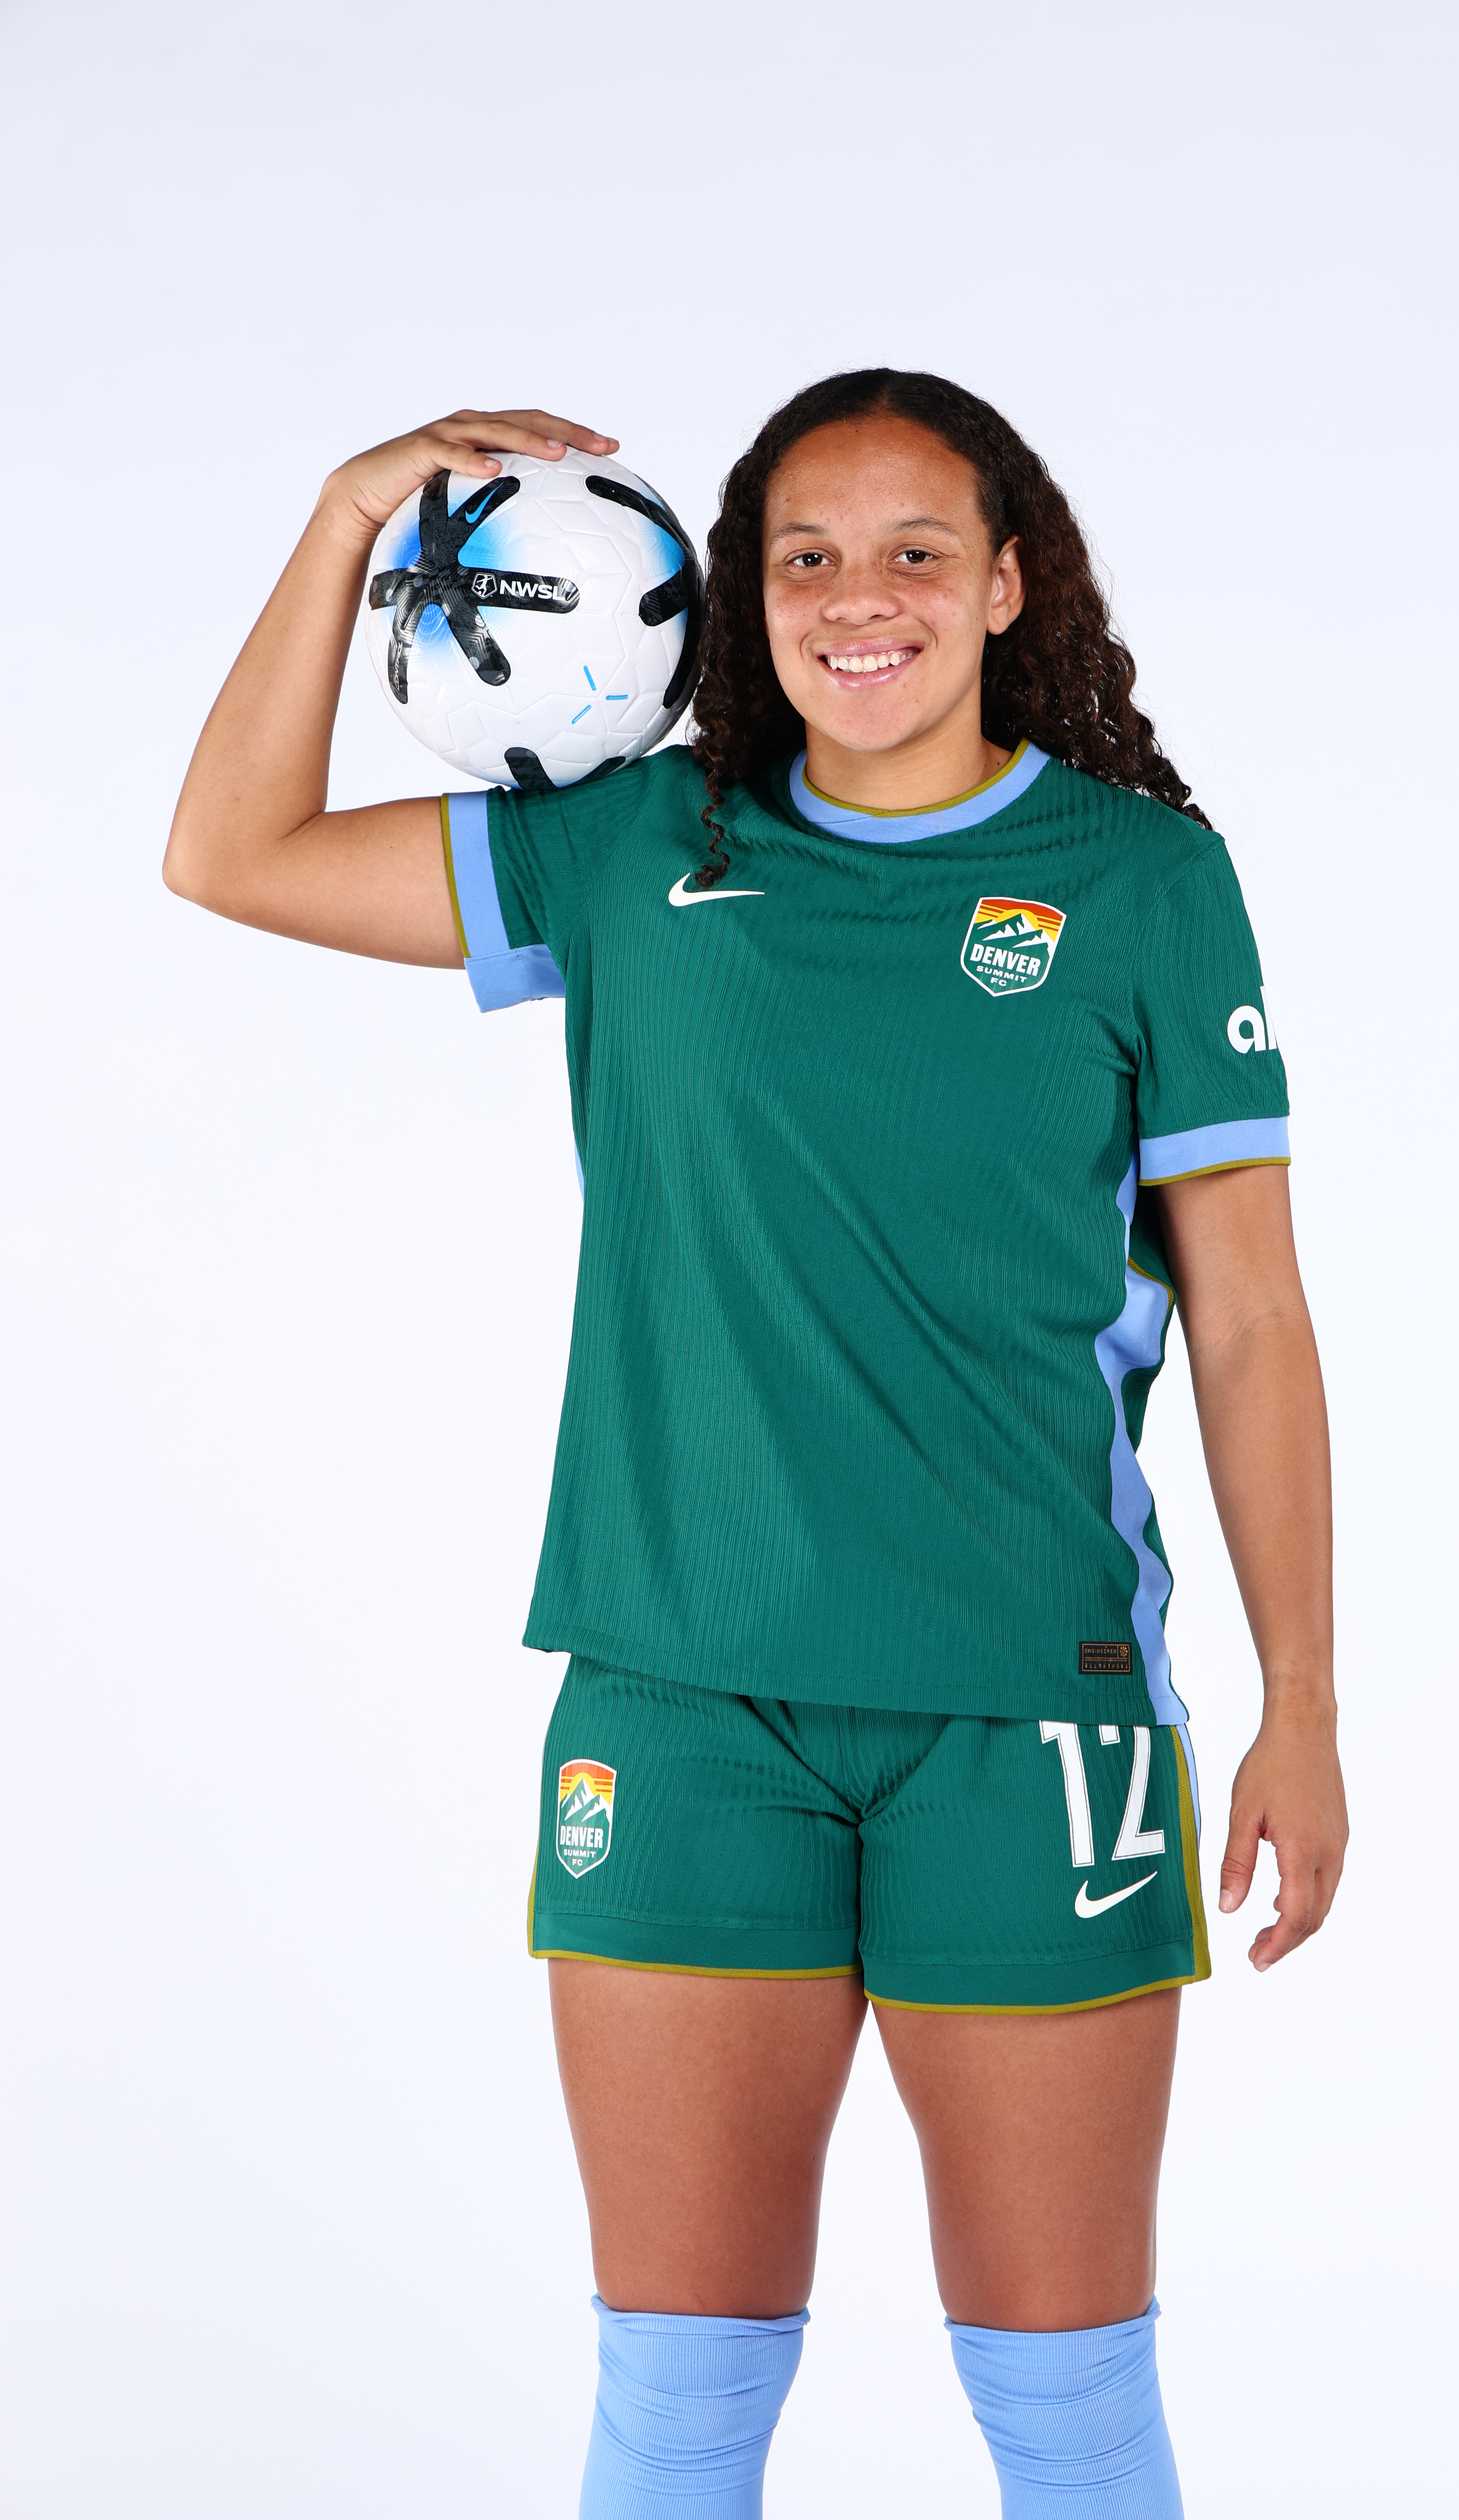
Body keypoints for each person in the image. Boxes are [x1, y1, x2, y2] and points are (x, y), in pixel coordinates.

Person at [165, 369, 1347, 2518]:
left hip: (1033, 1716)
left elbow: (1255, 1324)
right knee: (680, 2406)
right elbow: (225, 852)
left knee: (1073, 2412)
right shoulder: (642, 841)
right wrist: (348, 525)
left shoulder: (1145, 883)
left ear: (1008, 584)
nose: (857, 599)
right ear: (733, 596)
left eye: (914, 552)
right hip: (682, 1697)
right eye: (805, 555)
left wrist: (1306, 1706)